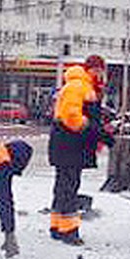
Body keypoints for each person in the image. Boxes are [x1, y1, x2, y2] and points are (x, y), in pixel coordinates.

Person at [47, 54, 113, 245]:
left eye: (102, 70)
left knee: (63, 186)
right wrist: (96, 132)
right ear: (89, 69)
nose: (100, 74)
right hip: (71, 143)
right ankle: (69, 230)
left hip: (66, 143)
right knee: (69, 187)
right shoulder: (79, 86)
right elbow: (72, 116)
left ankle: (58, 225)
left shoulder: (82, 86)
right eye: (97, 70)